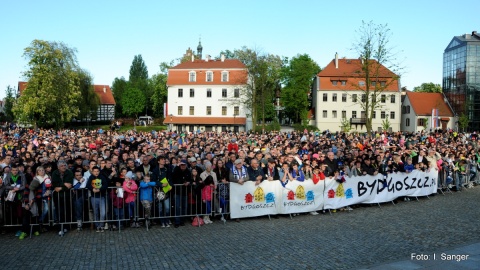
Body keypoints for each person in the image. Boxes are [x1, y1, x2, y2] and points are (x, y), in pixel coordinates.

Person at [3, 164, 28, 239]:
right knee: (13, 213)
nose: (15, 172)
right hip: (11, 197)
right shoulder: (8, 176)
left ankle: (21, 228)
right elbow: (6, 185)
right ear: (11, 170)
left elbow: (24, 185)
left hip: (20, 197)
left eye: (16, 170)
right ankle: (16, 228)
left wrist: (18, 189)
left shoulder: (22, 175)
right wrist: (13, 188)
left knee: (20, 213)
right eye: (13, 170)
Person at [51, 160, 74, 236]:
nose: (64, 167)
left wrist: (61, 188)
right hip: (57, 196)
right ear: (58, 167)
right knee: (59, 211)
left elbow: (70, 184)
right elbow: (55, 184)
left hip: (67, 195)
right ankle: (60, 227)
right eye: (62, 166)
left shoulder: (69, 172)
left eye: (64, 165)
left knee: (67, 211)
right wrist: (64, 184)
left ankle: (66, 226)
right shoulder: (54, 173)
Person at [87, 166, 108, 233]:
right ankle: (97, 226)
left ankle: (101, 225)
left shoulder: (102, 177)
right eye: (95, 171)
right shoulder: (91, 177)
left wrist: (100, 189)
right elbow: (88, 185)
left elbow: (105, 185)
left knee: (103, 213)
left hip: (101, 197)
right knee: (95, 212)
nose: (96, 173)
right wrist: (92, 189)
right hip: (93, 197)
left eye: (97, 171)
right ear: (92, 172)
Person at [171, 161, 191, 228]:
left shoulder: (188, 172)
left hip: (185, 192)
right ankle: (177, 221)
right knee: (177, 207)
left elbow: (190, 179)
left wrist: (188, 182)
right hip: (177, 192)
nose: (183, 166)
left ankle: (182, 220)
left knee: (184, 207)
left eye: (184, 165)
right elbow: (173, 176)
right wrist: (177, 166)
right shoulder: (177, 171)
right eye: (181, 165)